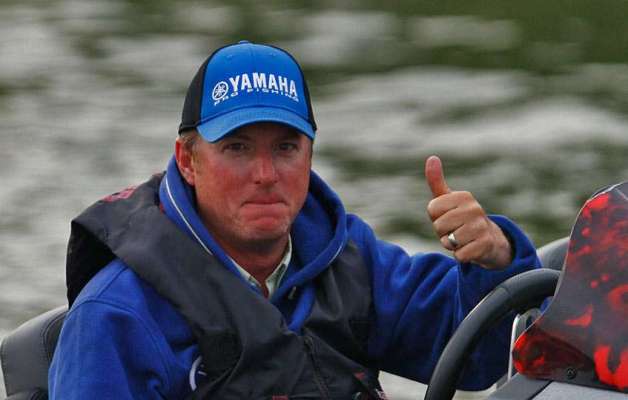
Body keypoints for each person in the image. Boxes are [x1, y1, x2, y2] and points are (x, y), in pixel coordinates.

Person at [48, 41, 540, 399]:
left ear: (309, 156)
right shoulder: (113, 318)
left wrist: (495, 258)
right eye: (237, 148)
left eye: (285, 147)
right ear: (187, 160)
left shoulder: (351, 260)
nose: (265, 175)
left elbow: (481, 356)